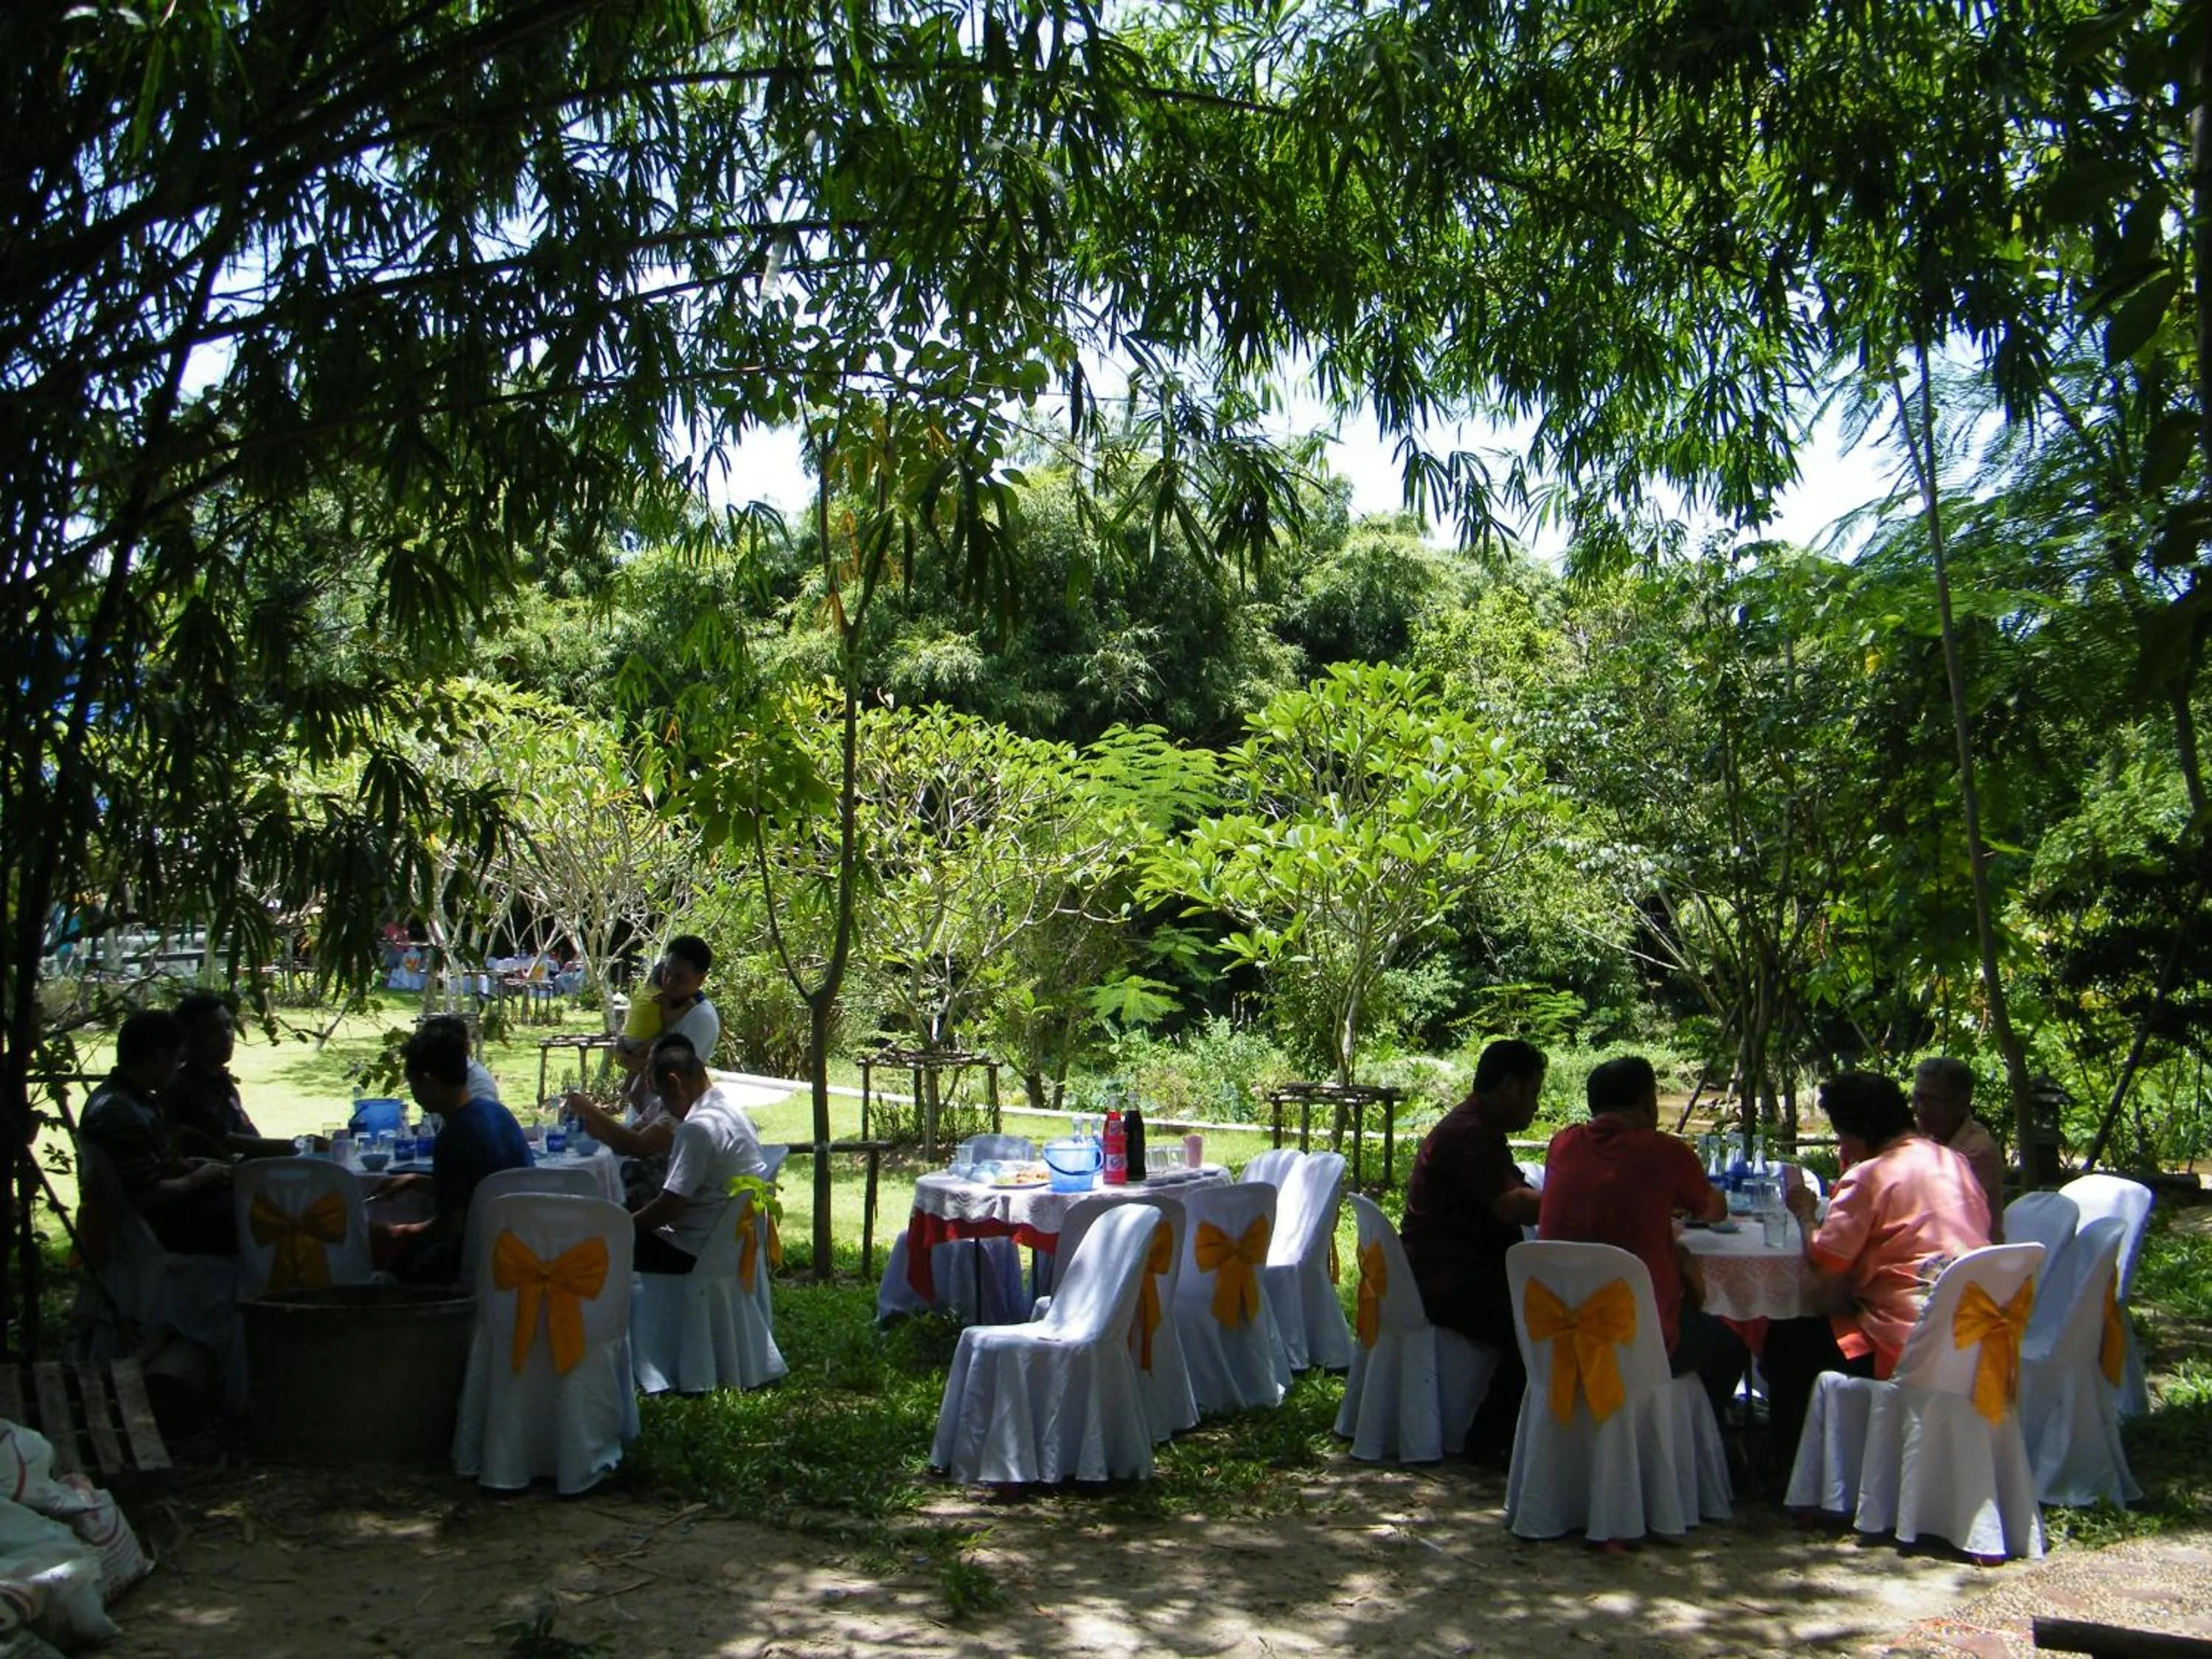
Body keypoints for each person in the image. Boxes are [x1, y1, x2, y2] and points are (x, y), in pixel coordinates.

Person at [1764, 1071, 1994, 1467]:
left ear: (1860, 1131)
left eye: (1842, 1134)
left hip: (1906, 1343)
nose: (1841, 1144)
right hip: (1973, 1330)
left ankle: (1799, 1469)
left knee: (1786, 1341)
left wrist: (1805, 1217)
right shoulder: (1953, 1161)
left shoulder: (1871, 1176)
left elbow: (1827, 1264)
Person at [1538, 1056, 1745, 1420]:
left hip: (1558, 1332)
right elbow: (1714, 1210)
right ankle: (1686, 1443)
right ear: (1649, 1103)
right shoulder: (1664, 1151)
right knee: (1732, 1350)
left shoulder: (1563, 1145)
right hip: (1639, 1340)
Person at [1399, 1038, 1547, 1461]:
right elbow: (1512, 1204)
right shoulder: (1469, 1132)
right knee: (1543, 1325)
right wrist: (1582, 1200)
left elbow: (1515, 1191)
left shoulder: (1478, 1127)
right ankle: (1490, 1440)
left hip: (1456, 1271)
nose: (1535, 1107)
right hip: (1449, 1280)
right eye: (1533, 1093)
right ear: (1509, 1086)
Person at [385, 1015, 533, 1284]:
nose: (414, 1094)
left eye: (413, 1084)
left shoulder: (454, 1136)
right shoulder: (500, 1114)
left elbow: (452, 1226)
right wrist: (420, 1183)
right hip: (524, 1244)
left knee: (389, 1260)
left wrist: (398, 1233)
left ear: (428, 1080)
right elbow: (485, 1188)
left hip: (478, 1259)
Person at [80, 1007, 237, 1255]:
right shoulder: (119, 1112)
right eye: (177, 1060)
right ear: (160, 1057)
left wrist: (187, 1165)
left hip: (160, 1218)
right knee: (257, 1216)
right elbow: (146, 1194)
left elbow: (146, 1169)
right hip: (156, 1229)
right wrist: (200, 1177)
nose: (178, 1069)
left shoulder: (128, 1098)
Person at [619, 1033, 771, 1273]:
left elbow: (667, 1209)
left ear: (675, 1083)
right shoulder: (733, 1113)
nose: (663, 1107)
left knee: (595, 1251)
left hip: (694, 1252)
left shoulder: (696, 1129)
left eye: (661, 1095)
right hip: (730, 1245)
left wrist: (618, 1226)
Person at [159, 992, 291, 1161]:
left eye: (228, 1026)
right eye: (213, 1031)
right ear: (189, 1038)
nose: (226, 1036)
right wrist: (297, 1146)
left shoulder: (218, 1080)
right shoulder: (186, 1088)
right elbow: (228, 1142)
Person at [1912, 1057, 2005, 1240]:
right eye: (1918, 1098)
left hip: (1967, 1260)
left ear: (1962, 1103)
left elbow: (1929, 1210)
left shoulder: (1977, 1152)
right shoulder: (1924, 1137)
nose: (1921, 1109)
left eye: (1933, 1101)